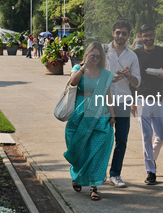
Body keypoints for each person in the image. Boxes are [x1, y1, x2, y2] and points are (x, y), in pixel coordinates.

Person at [64, 42, 115, 201]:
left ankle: (94, 187)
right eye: (92, 55)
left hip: (100, 116)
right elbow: (72, 83)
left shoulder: (105, 74)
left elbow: (108, 96)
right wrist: (83, 66)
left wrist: (113, 117)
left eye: (98, 57)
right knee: (78, 149)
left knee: (96, 152)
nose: (95, 58)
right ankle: (77, 175)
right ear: (86, 55)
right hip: (79, 116)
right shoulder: (77, 69)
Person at [133, 24, 163, 185]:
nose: (148, 38)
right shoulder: (136, 54)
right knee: (147, 136)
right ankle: (150, 171)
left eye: (150, 35)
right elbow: (133, 78)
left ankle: (151, 158)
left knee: (162, 135)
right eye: (145, 35)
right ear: (140, 36)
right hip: (142, 97)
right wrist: (133, 100)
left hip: (160, 98)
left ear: (154, 34)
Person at [105, 20, 141, 188]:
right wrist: (109, 78)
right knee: (102, 138)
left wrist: (128, 76)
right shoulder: (103, 51)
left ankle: (115, 174)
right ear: (113, 33)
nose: (120, 36)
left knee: (121, 139)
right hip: (103, 100)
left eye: (124, 33)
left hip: (123, 101)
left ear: (128, 36)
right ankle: (98, 172)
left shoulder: (132, 56)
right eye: (118, 32)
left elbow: (136, 82)